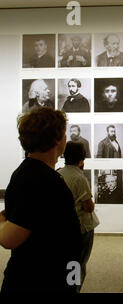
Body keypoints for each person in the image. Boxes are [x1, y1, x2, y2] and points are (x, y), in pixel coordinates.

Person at [0, 107, 81, 292]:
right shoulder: (35, 178)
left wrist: (72, 281)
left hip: (50, 276)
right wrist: (2, 223)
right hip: (37, 280)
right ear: (57, 139)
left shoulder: (37, 174)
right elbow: (9, 239)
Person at [57, 141, 99, 292]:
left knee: (69, 262)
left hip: (65, 227)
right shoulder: (79, 177)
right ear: (82, 157)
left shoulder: (59, 173)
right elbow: (89, 207)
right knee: (79, 264)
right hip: (82, 227)